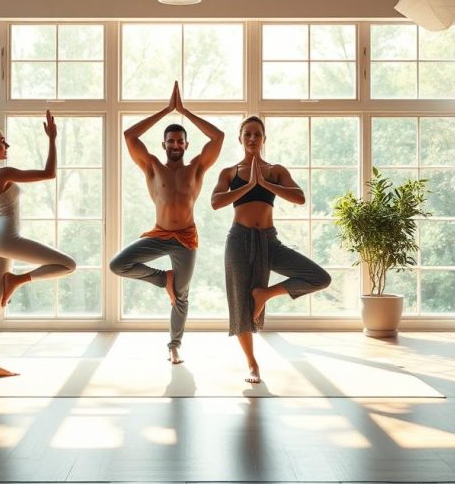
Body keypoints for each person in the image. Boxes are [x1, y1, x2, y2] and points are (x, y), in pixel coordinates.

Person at [0, 112, 76, 379]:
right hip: (6, 238)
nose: (6, 146)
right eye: (2, 141)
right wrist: (52, 139)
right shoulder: (1, 173)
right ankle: (17, 280)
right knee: (68, 265)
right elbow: (49, 173)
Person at [109, 82, 224, 364]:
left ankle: (174, 346)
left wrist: (184, 111)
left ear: (186, 145)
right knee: (118, 265)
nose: (175, 145)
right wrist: (166, 110)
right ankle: (164, 279)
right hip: (159, 235)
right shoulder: (152, 166)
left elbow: (218, 137)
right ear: (164, 145)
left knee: (181, 296)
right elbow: (129, 135)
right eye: (170, 141)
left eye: (179, 141)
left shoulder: (196, 168)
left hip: (186, 238)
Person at [211, 116, 331, 384]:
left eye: (257, 134)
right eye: (247, 134)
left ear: (264, 138)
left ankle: (265, 294)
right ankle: (253, 364)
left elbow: (299, 197)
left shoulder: (276, 171)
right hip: (239, 240)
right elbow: (215, 202)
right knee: (240, 304)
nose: (252, 138)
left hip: (269, 241)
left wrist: (264, 184)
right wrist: (248, 186)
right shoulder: (229, 172)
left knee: (320, 277)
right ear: (240, 138)